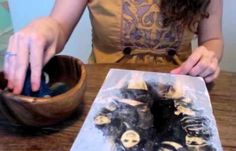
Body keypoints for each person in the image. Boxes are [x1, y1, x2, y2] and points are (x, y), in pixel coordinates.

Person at [4, 0, 223, 95]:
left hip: (179, 90)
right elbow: (58, 26)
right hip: (105, 92)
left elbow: (212, 38)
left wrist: (209, 56)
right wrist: (44, 27)